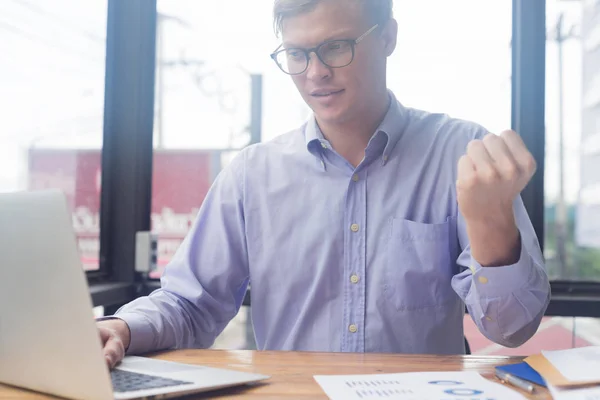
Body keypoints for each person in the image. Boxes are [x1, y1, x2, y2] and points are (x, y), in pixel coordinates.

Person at [98, 0, 550, 369]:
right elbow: (191, 304)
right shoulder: (252, 176)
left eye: (336, 47)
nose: (315, 72)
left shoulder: (462, 155)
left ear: (388, 37)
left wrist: (491, 224)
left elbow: (512, 329)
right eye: (296, 53)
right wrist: (124, 327)